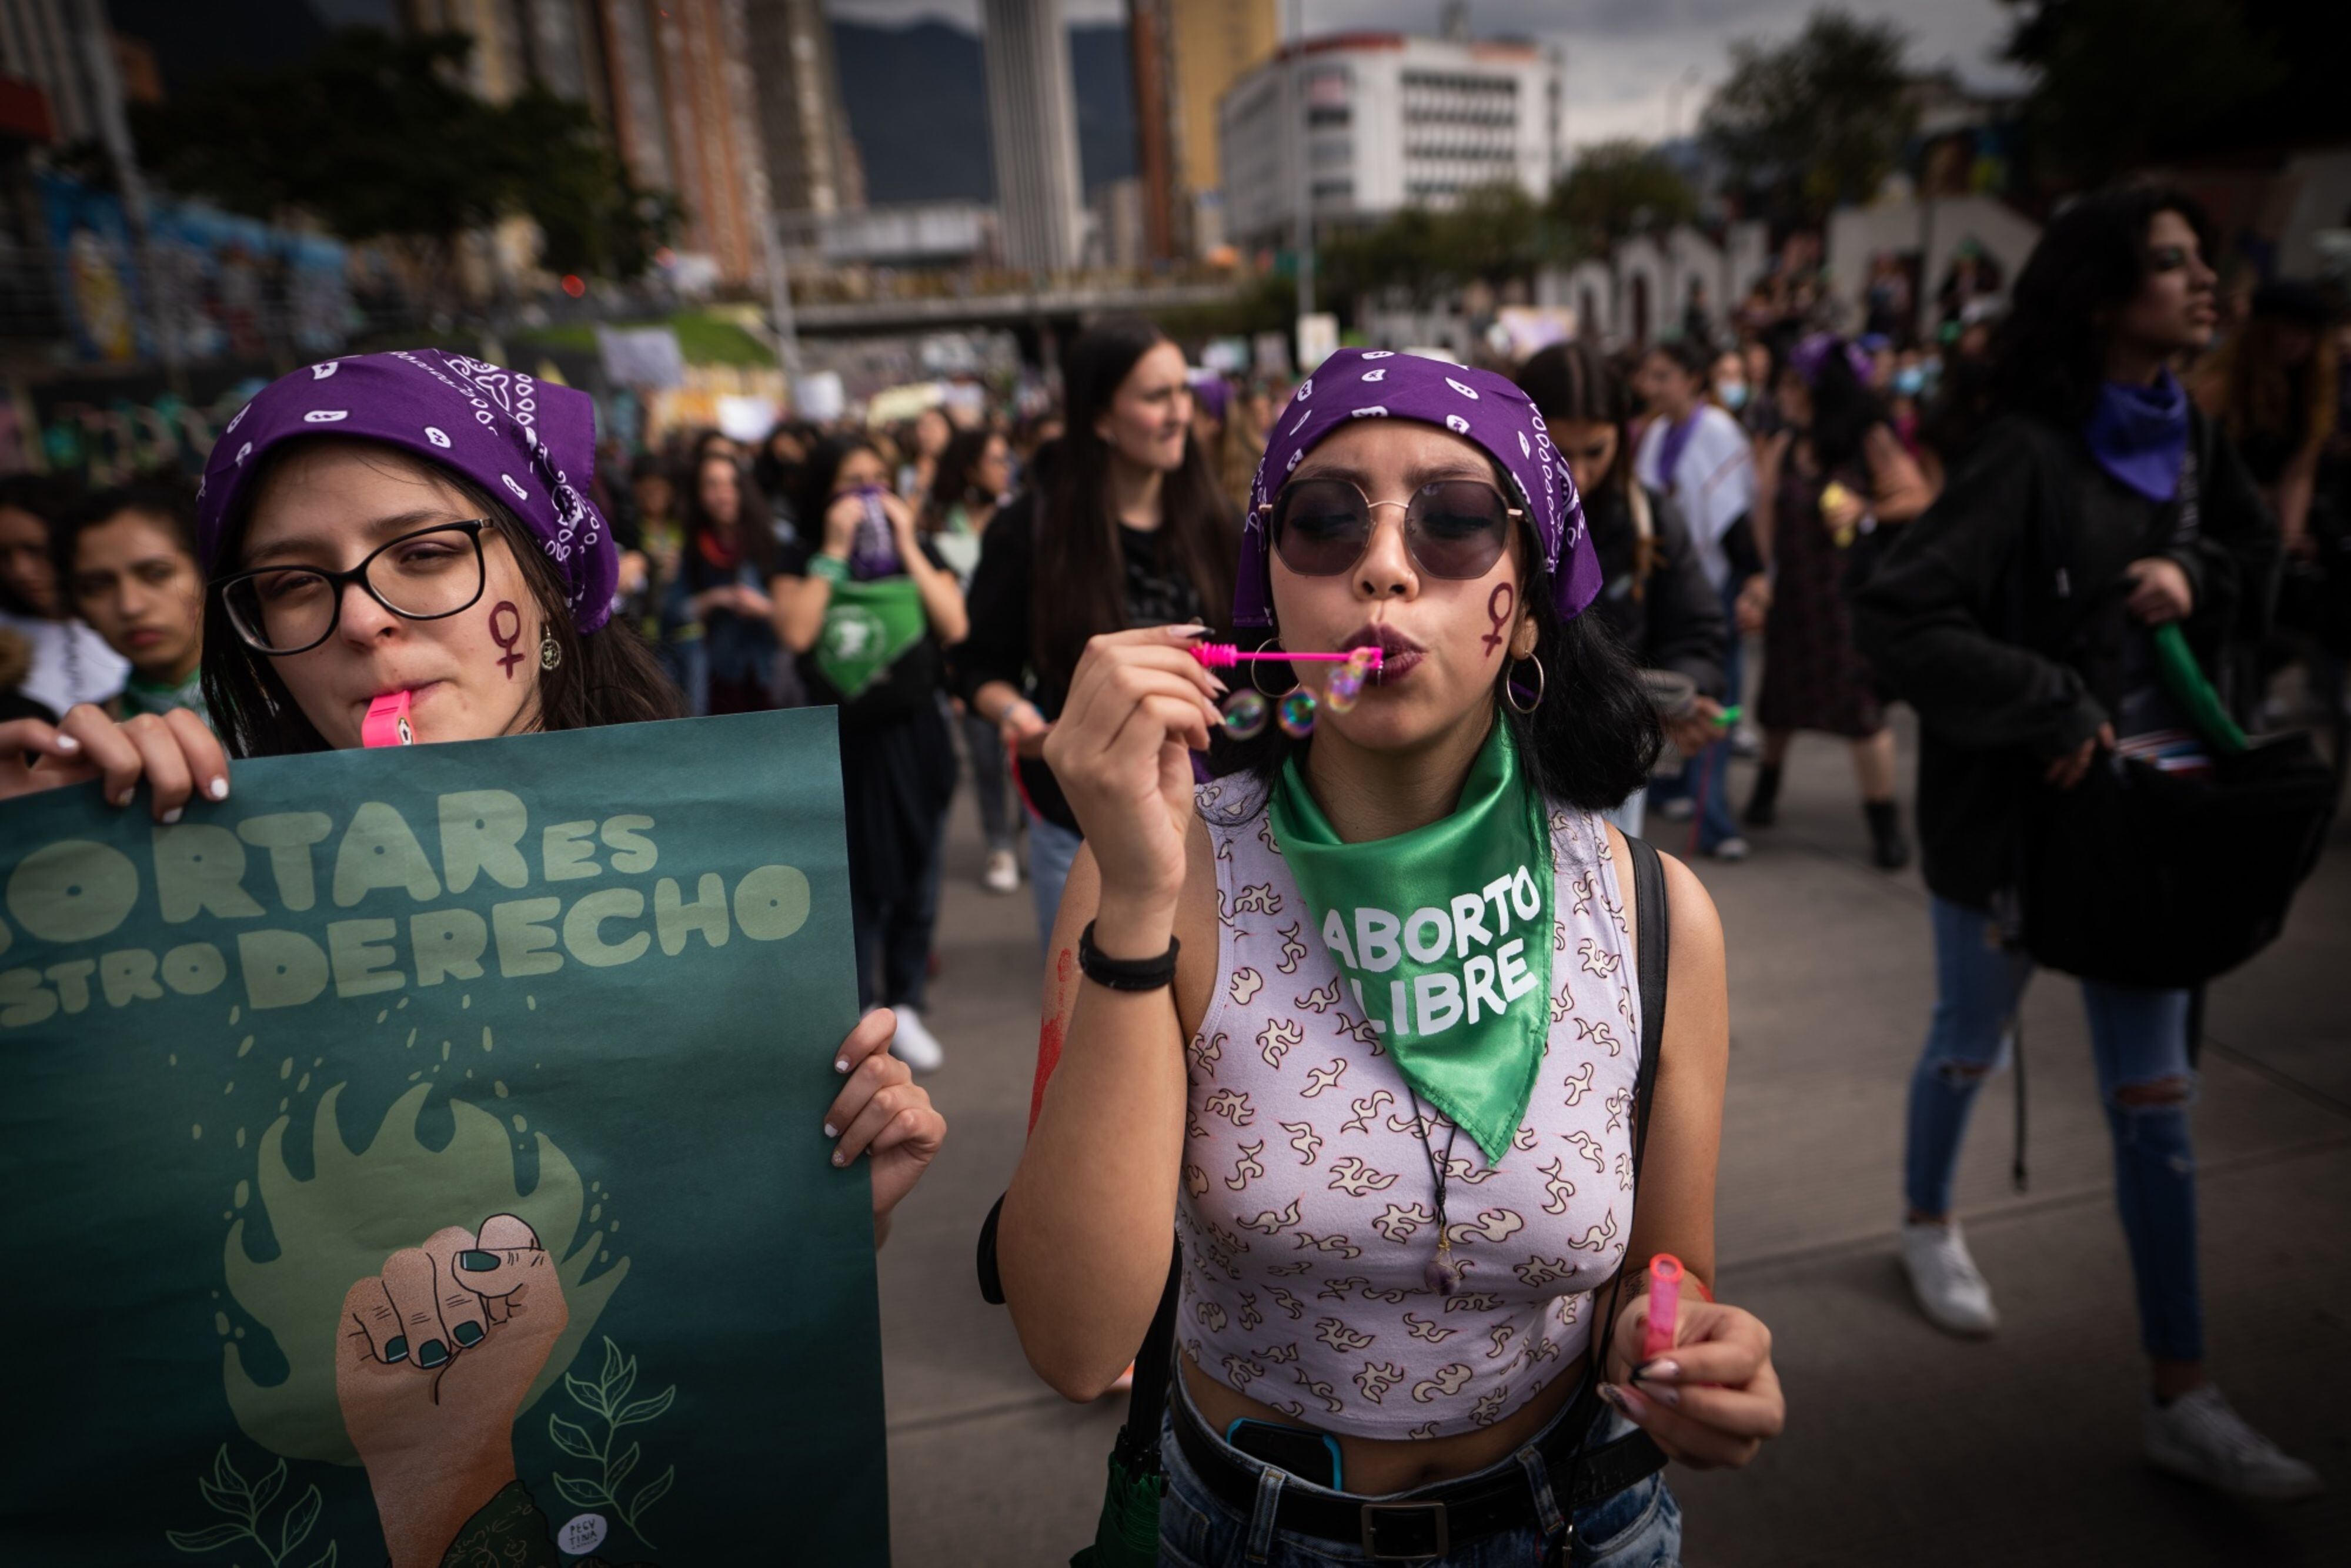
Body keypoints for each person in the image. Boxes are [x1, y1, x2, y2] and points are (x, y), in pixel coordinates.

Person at [996, 351, 1783, 1563]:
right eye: (1324, 518)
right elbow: (1070, 1341)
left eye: (1456, 520)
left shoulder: (1653, 913)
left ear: (1518, 596)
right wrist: (1137, 902)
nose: (1382, 562)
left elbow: (1662, 1272)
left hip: (1579, 1523)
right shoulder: (1160, 873)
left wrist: (1683, 1349)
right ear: (1270, 580)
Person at [0, 350, 944, 1299]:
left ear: (543, 584)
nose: (362, 618)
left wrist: (829, 1210)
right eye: (291, 582)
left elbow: (722, 1302)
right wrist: (50, 902)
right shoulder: (184, 890)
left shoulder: (718, 879)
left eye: (424, 554)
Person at [1852, 188, 2319, 1499]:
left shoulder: (2200, 438)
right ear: (2104, 297)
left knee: (2157, 1106)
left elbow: (2248, 563)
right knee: (1967, 1037)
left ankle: (2183, 1390)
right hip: (2018, 828)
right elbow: (1900, 614)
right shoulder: (2024, 455)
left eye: (2199, 261)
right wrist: (2051, 701)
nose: (2203, 284)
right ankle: (1928, 1223)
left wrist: (2200, 580)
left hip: (2157, 824)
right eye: (2169, 265)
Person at [959, 317, 1237, 946]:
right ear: (1101, 418)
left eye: (1182, 393)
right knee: (1095, 1015)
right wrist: (1018, 718)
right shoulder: (1031, 531)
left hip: (1213, 815)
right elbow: (977, 664)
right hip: (1079, 821)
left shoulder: (1219, 523)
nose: (1178, 414)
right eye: (1154, 396)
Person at [773, 435, 969, 1071]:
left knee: (919, 874)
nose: (867, 497)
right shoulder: (801, 553)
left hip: (915, 737)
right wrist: (832, 552)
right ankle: (861, 1008)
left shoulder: (919, 546)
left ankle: (906, 1001)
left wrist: (909, 543)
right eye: (850, 482)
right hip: (841, 739)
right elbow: (797, 630)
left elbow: (954, 624)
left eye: (878, 481)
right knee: (852, 882)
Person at [1516, 340, 1730, 840]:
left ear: (1622, 439)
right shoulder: (1479, 522)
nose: (1578, 474)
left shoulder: (1647, 518)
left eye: (1595, 451)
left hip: (1606, 768)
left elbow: (1696, 629)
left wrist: (1682, 696)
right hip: (1496, 768)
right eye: (1557, 452)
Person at [1739, 333, 1932, 868]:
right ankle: (1765, 793)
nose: (1785, 394)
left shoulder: (1865, 438)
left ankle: (1884, 823)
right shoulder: (1786, 443)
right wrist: (1761, 577)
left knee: (1860, 711)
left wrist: (1865, 510)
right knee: (1779, 701)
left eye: (1794, 384)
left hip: (1847, 599)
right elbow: (1765, 515)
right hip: (1797, 597)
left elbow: (1917, 497)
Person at [1631, 339, 1759, 858]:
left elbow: (1734, 516)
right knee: (1665, 695)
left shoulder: (1717, 430)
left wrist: (1754, 579)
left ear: (1692, 380)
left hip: (1711, 584)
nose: (1653, 386)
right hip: (1666, 586)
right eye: (1649, 376)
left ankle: (1715, 822)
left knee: (1711, 698)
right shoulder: (1657, 432)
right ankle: (1669, 789)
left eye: (1664, 376)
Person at [926, 425, 1024, 895]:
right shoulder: (940, 526)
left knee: (1029, 756)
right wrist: (953, 676)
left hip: (1023, 664)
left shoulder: (1022, 518)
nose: (1006, 469)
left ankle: (1026, 825)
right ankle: (999, 845)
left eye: (1009, 459)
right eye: (996, 460)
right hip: (971, 666)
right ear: (970, 468)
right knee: (986, 760)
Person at [55, 482, 211, 726]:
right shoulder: (94, 739)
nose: (130, 606)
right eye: (97, 586)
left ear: (207, 574)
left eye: (157, 574)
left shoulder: (288, 693)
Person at [0, 473, 128, 720]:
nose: (20, 571)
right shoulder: (7, 636)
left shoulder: (129, 613)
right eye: (4, 555)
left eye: (35, 550)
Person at [677, 449, 781, 716]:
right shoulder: (692, 548)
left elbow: (800, 619)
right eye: (712, 485)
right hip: (719, 676)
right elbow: (675, 611)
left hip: (771, 673)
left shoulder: (775, 539)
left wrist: (765, 608)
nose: (723, 494)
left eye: (730, 484)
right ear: (699, 495)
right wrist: (713, 599)